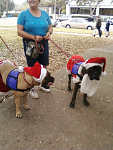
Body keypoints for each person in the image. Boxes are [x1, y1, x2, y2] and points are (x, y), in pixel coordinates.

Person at [17, 0, 53, 99]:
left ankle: (43, 84)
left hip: (44, 43)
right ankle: (32, 87)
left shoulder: (45, 14)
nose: (31, 0)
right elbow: (19, 32)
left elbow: (50, 28)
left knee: (43, 65)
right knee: (33, 66)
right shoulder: (23, 14)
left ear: (39, 1)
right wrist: (33, 37)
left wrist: (48, 33)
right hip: (31, 44)